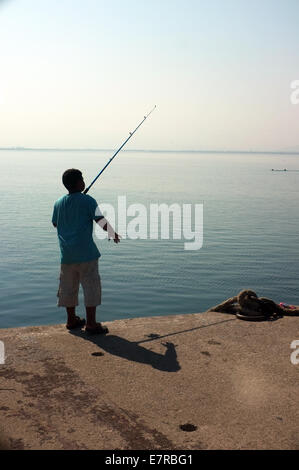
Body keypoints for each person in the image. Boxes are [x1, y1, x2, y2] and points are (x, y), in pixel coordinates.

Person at [52, 168, 120, 334]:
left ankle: (71, 320)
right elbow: (100, 220)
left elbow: (55, 223)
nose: (84, 181)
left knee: (68, 287)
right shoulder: (88, 200)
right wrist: (112, 233)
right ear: (78, 183)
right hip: (86, 254)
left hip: (66, 255)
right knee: (91, 287)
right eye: (82, 179)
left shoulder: (58, 202)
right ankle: (91, 324)